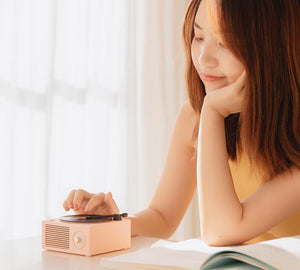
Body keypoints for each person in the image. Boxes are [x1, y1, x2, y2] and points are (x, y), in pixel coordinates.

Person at [63, 0, 300, 246]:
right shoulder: (194, 117)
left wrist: (212, 113)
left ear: (272, 49)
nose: (204, 58)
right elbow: (163, 217)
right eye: (198, 37)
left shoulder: (214, 115)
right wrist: (115, 222)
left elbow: (220, 231)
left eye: (225, 42)